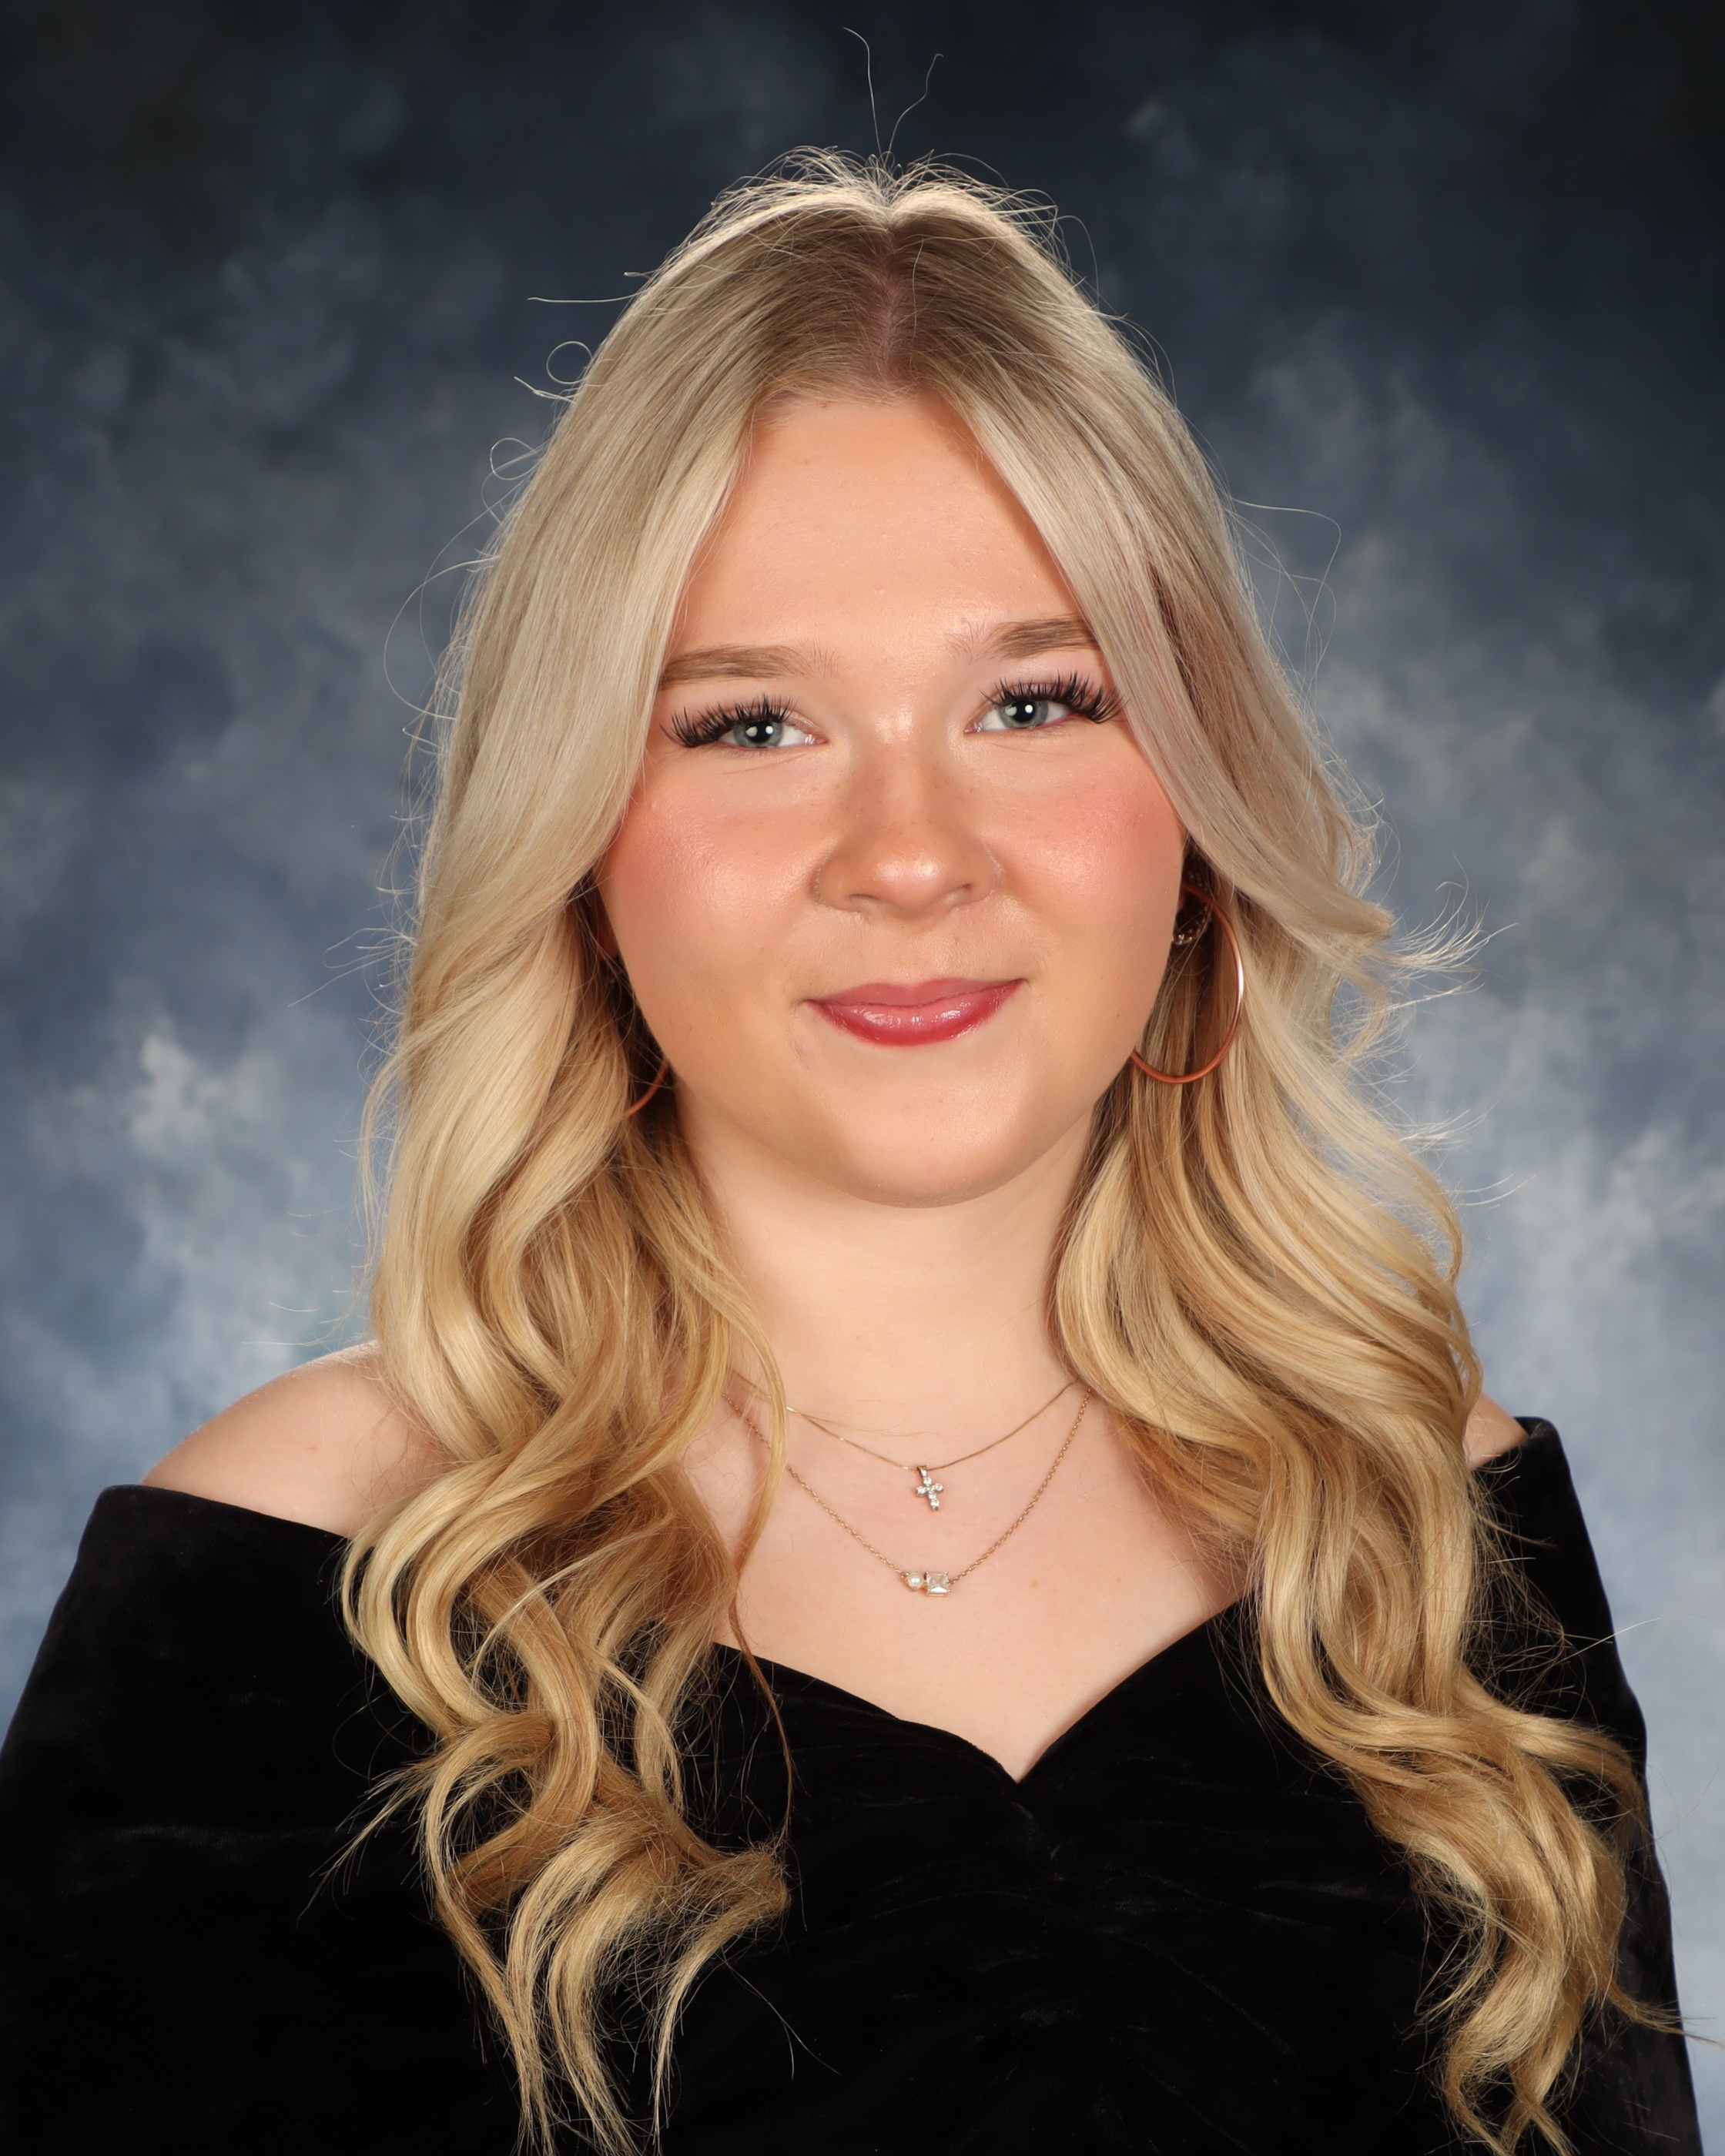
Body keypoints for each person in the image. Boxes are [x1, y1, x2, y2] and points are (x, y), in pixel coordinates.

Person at [0, 154, 1699, 2156]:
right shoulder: (299, 1568)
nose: (910, 858)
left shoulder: (1421, 1526)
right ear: (582, 844)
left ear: (1195, 813)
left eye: (1034, 701)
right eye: (752, 727)